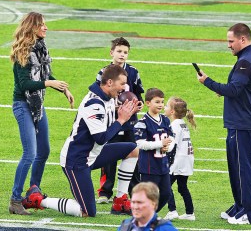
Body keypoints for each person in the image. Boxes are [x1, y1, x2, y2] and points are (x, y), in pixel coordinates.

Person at [197, 23, 251, 225]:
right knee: (236, 167)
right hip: (241, 121)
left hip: (242, 123)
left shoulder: (246, 62)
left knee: (244, 169)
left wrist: (207, 81)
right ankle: (240, 205)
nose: (228, 45)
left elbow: (234, 90)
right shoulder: (249, 58)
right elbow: (238, 88)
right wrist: (223, 89)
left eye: (230, 41)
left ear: (242, 39)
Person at [9, 12, 74, 215]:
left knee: (43, 151)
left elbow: (44, 74)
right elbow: (24, 84)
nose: (46, 28)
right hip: (23, 105)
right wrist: (48, 83)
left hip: (37, 107)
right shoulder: (24, 51)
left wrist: (62, 88)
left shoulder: (40, 48)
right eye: (42, 25)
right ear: (33, 27)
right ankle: (15, 200)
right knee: (30, 154)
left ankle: (32, 191)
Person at [59, 64, 140, 217]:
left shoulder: (108, 96)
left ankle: (120, 200)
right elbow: (102, 138)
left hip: (93, 154)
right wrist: (121, 120)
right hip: (77, 160)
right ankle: (38, 199)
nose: (124, 87)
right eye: (122, 83)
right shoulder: (94, 104)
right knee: (87, 212)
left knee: (132, 149)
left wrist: (123, 112)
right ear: (110, 82)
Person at [95, 37, 144, 212]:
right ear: (111, 53)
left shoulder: (134, 72)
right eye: (119, 51)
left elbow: (139, 95)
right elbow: (99, 95)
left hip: (130, 121)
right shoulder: (103, 72)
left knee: (133, 154)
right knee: (108, 155)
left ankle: (132, 191)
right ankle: (105, 192)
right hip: (111, 121)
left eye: (125, 52)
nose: (122, 55)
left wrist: (138, 105)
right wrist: (112, 106)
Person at [134, 88, 174, 213]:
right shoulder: (142, 122)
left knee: (166, 194)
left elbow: (172, 138)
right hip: (149, 166)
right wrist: (159, 144)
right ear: (148, 103)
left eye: (162, 102)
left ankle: (151, 214)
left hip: (163, 164)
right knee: (148, 195)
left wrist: (168, 147)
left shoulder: (165, 120)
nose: (161, 105)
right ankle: (143, 217)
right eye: (157, 102)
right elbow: (140, 143)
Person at [164, 97, 196, 221]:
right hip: (187, 159)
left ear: (172, 111)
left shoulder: (175, 124)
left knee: (165, 184)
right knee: (182, 186)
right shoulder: (182, 124)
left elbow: (172, 143)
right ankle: (190, 213)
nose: (164, 108)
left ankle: (172, 211)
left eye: (167, 106)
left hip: (178, 161)